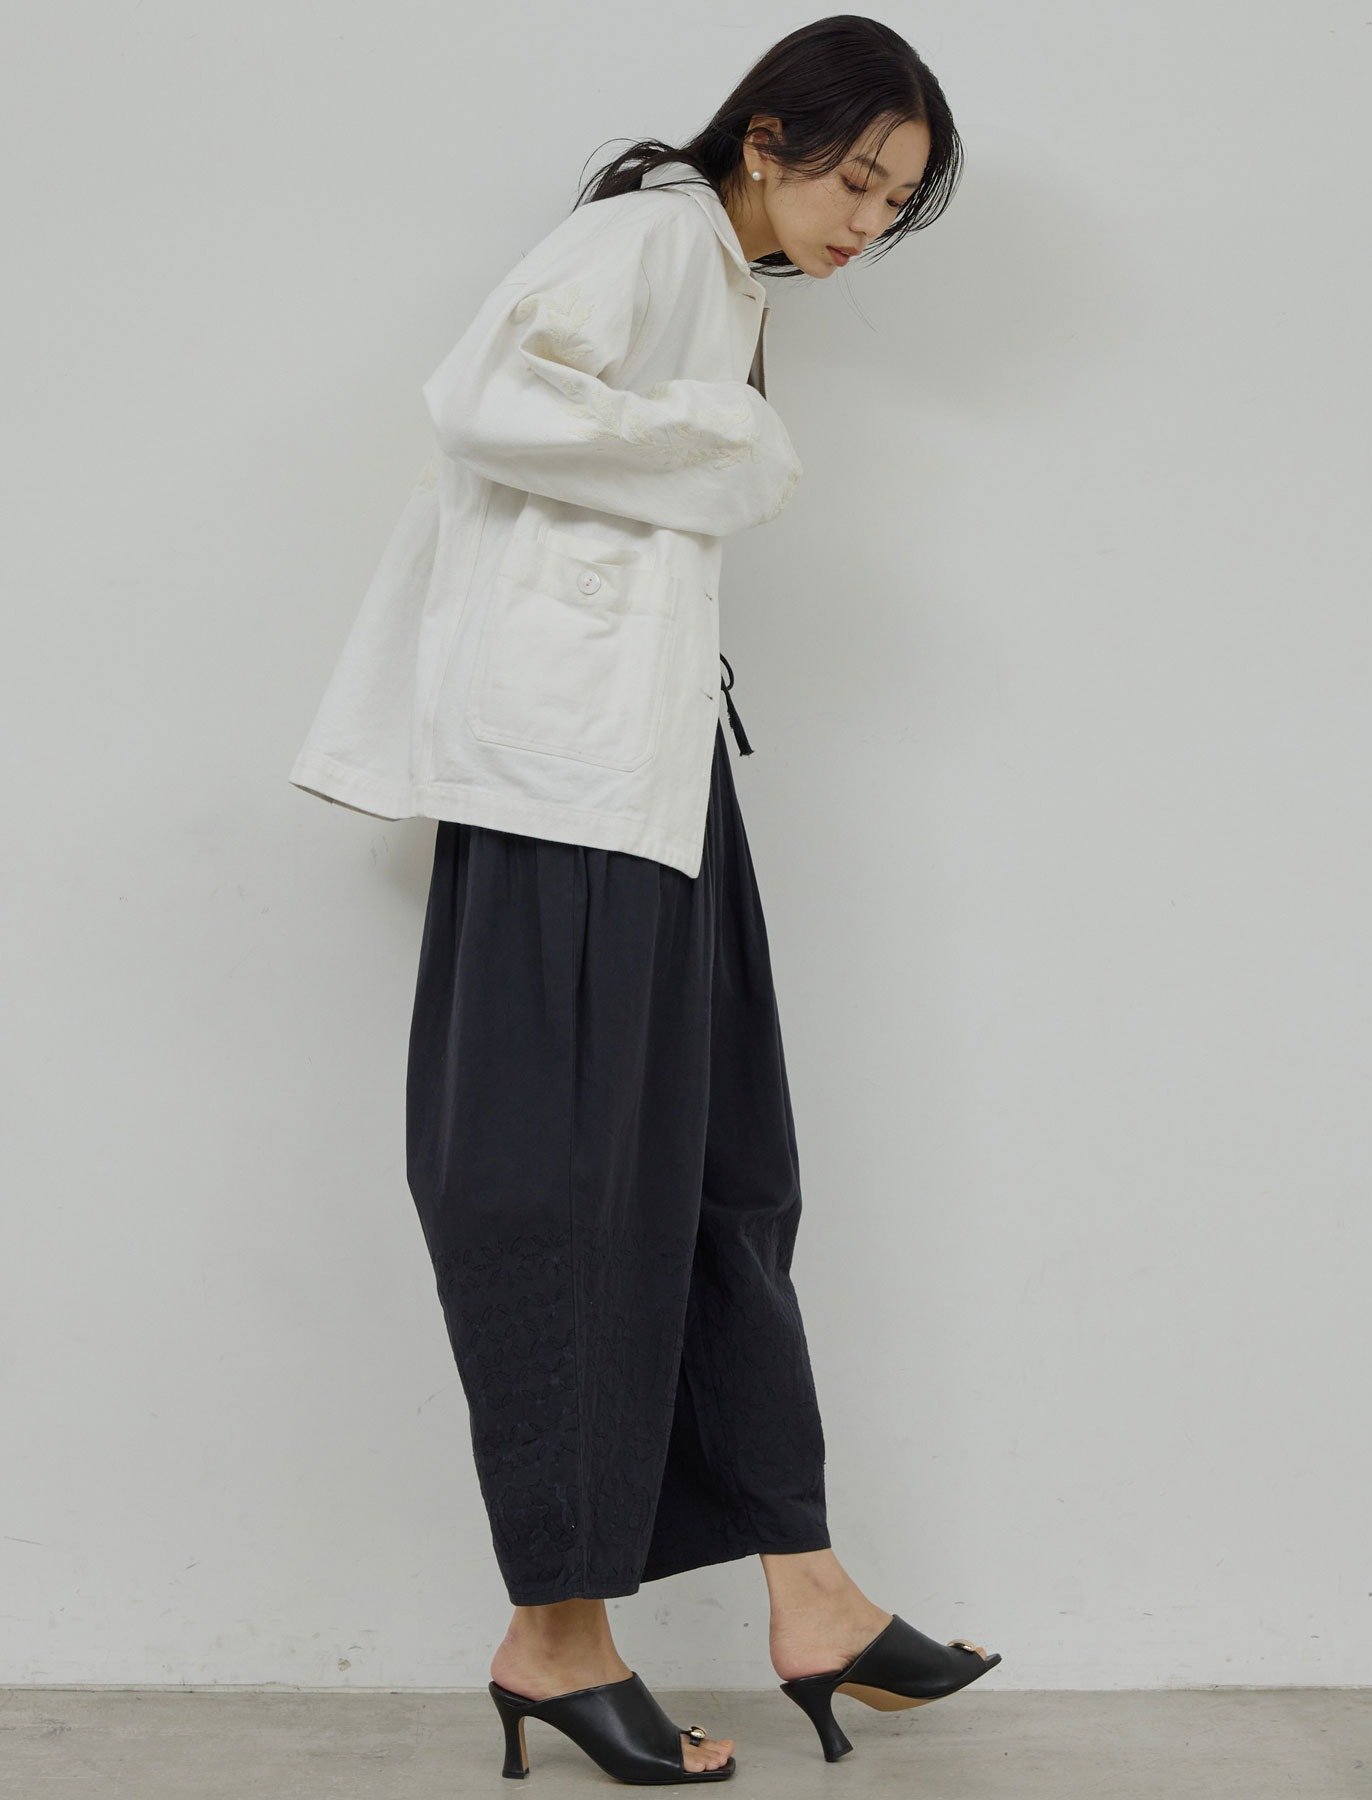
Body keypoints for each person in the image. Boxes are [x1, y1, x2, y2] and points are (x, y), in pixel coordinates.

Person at [289, 15, 998, 1785]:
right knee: (558, 1191)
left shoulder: (723, 274)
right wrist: (727, 439)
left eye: (894, 204)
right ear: (767, 138)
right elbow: (477, 396)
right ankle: (554, 1639)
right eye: (855, 180)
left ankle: (812, 1593)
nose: (865, 222)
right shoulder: (648, 235)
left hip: (658, 777)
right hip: (568, 784)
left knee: (724, 1175)